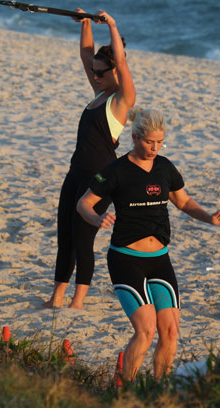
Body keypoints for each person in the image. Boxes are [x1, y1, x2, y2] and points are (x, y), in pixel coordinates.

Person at [77, 109, 220, 381]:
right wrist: (97, 218)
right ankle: (124, 388)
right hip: (126, 260)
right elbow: (83, 204)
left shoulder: (164, 167)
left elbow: (183, 202)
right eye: (150, 142)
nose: (155, 147)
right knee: (146, 331)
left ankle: (158, 390)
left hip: (160, 259)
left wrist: (209, 218)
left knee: (170, 331)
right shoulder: (115, 171)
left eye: (160, 142)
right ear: (135, 137)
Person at [44, 9, 136, 309]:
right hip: (75, 173)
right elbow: (86, 54)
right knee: (65, 237)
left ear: (115, 74)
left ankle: (78, 301)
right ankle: (57, 296)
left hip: (99, 179)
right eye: (94, 72)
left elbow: (121, 62)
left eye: (100, 72)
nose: (94, 76)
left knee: (83, 240)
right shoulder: (97, 93)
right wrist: (85, 23)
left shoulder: (120, 100)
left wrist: (111, 24)